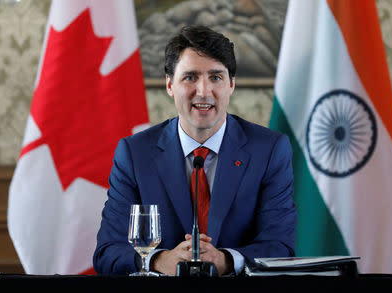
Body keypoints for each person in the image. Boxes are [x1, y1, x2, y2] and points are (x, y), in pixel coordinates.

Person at [93, 25, 296, 276]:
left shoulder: (269, 150)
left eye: (216, 77)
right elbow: (107, 252)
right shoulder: (135, 154)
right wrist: (157, 260)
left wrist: (226, 260)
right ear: (170, 85)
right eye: (190, 77)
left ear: (231, 84)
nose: (203, 91)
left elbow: (281, 247)